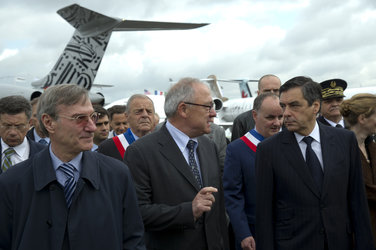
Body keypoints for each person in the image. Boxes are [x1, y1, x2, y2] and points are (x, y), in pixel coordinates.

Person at [0, 85, 145, 249]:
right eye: (80, 118)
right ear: (49, 122)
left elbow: (134, 241)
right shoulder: (12, 182)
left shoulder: (117, 175)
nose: (91, 127)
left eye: (93, 117)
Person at [255, 76, 374, 250]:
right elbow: (264, 215)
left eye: (294, 105)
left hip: (340, 242)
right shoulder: (268, 150)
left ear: (315, 107)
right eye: (283, 106)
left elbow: (357, 201)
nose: (285, 113)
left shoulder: (344, 140)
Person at [124, 77, 229, 249]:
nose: (214, 113)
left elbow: (218, 211)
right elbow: (137, 213)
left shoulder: (208, 145)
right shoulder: (140, 152)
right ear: (183, 109)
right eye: (207, 106)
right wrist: (189, 211)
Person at [224, 92, 283, 250]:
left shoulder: (289, 145)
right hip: (254, 234)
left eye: (280, 117)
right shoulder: (237, 150)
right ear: (255, 115)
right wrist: (243, 233)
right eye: (270, 117)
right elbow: (232, 196)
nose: (277, 123)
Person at [340, 93, 376, 247]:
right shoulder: (341, 150)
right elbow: (360, 188)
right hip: (357, 231)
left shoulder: (372, 146)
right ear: (362, 119)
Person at [98, 94, 155, 161]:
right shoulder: (109, 147)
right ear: (127, 116)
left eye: (149, 111)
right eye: (138, 112)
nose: (145, 115)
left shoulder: (164, 144)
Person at [0, 95, 45, 174]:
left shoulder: (44, 155)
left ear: (29, 124)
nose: (12, 132)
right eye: (7, 126)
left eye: (19, 126)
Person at [231, 74, 281, 141]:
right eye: (267, 91)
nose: (272, 94)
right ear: (258, 93)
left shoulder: (290, 119)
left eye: (276, 90)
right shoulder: (242, 121)